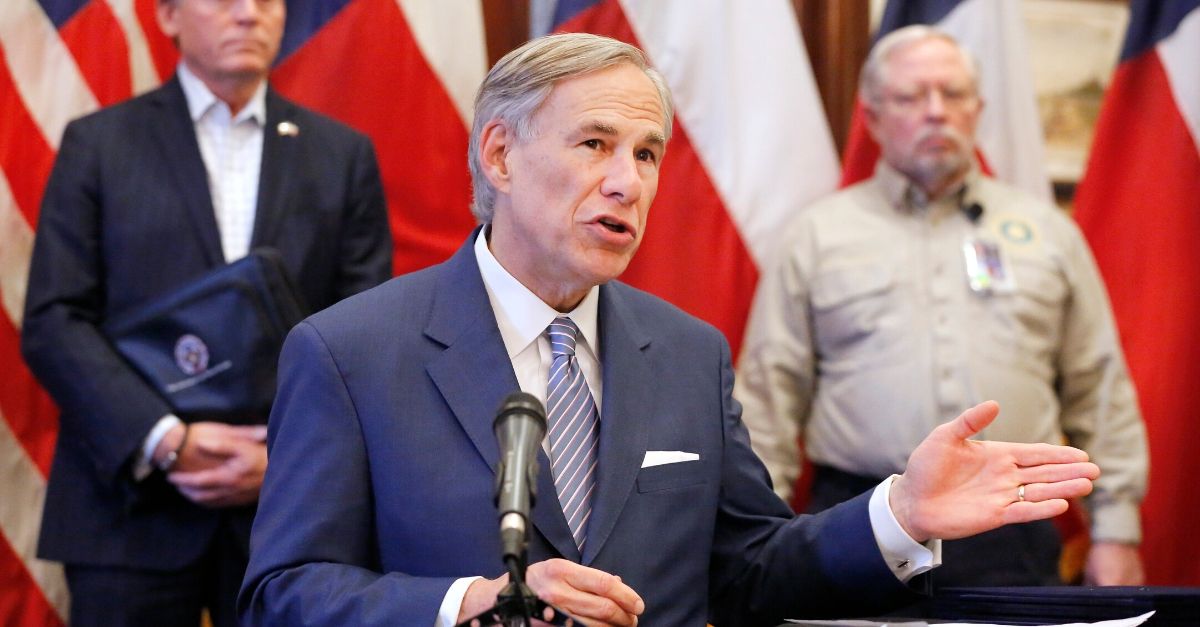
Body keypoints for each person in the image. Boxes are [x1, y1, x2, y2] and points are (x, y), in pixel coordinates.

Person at [238, 33, 1098, 627]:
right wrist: (469, 601)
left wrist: (899, 513)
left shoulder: (688, 352)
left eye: (646, 153)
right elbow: (282, 592)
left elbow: (751, 568)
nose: (628, 182)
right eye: (595, 144)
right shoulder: (351, 351)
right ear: (499, 156)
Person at [20, 0, 393, 624]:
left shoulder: (341, 154)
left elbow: (364, 334)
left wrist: (285, 456)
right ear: (168, 16)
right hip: (129, 511)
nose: (249, 15)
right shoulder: (99, 143)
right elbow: (55, 319)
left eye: (267, 0)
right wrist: (165, 440)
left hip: (288, 514)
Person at [736, 25, 1147, 589]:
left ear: (978, 109)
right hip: (861, 517)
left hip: (1014, 522)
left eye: (952, 94)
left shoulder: (1048, 233)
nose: (936, 111)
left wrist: (1116, 531)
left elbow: (1098, 386)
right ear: (873, 117)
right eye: (911, 96)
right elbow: (769, 395)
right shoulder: (816, 235)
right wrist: (760, 536)